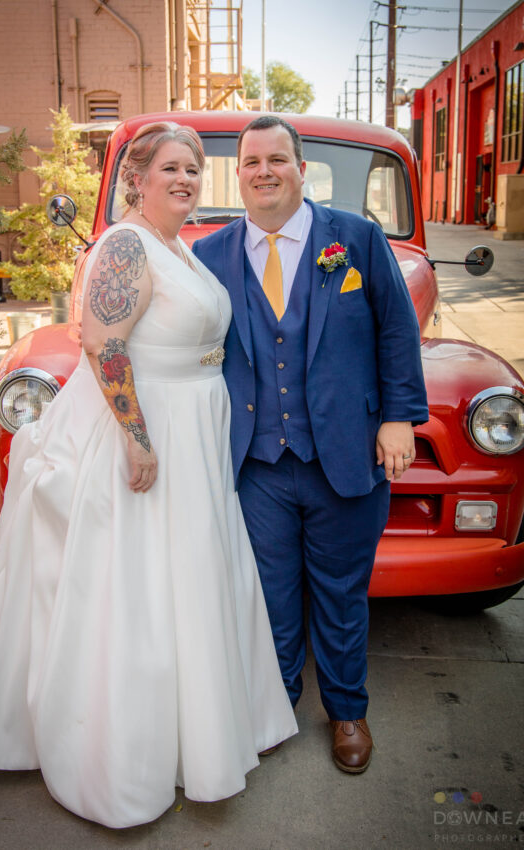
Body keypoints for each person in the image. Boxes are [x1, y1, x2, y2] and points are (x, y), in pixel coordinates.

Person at [0, 122, 297, 828]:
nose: (186, 180)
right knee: (138, 587)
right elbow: (104, 344)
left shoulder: (177, 246)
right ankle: (123, 756)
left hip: (195, 431)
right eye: (171, 168)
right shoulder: (127, 244)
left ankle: (202, 731)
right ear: (136, 178)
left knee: (190, 579)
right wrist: (136, 439)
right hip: (149, 427)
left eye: (194, 168)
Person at [193, 115, 428, 774]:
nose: (263, 171)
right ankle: (277, 706)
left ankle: (348, 711)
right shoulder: (211, 254)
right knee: (268, 595)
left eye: (277, 159)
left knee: (342, 593)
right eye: (251, 162)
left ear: (301, 169)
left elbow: (396, 331)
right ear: (237, 174)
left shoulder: (356, 239)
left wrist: (400, 418)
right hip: (257, 463)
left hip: (345, 455)